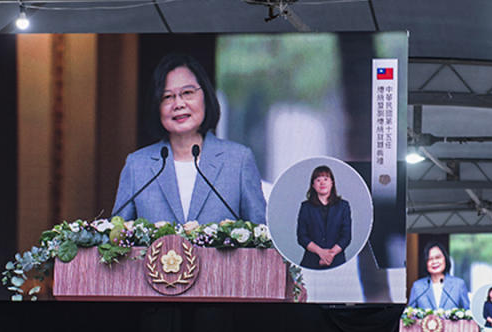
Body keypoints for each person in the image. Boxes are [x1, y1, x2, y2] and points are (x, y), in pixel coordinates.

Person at [112, 53, 265, 225]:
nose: (178, 104)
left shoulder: (238, 160)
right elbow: (116, 238)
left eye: (187, 93)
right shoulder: (137, 165)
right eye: (167, 97)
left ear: (205, 95)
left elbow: (262, 238)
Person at [296, 165, 352, 269]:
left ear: (332, 183)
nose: (322, 183)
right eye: (318, 180)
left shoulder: (343, 206)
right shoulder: (306, 207)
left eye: (326, 179)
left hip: (337, 262)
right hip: (310, 262)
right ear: (313, 185)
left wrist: (330, 255)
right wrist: (321, 252)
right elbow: (302, 237)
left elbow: (346, 237)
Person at [407, 241, 470, 310]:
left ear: (445, 259)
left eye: (438, 257)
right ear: (425, 263)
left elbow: (468, 314)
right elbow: (409, 315)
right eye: (430, 259)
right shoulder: (417, 287)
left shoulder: (458, 285)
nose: (434, 262)